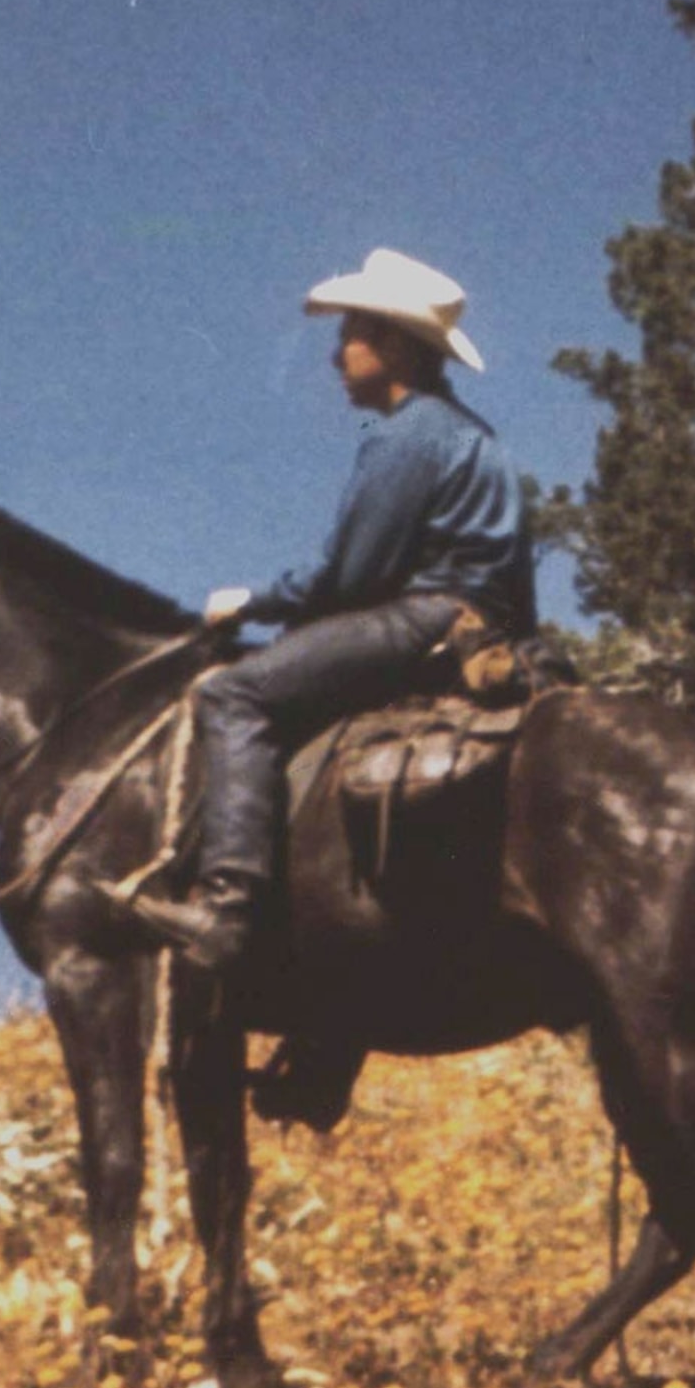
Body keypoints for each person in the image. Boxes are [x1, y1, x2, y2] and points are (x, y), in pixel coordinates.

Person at [120, 248, 537, 970]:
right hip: (481, 629)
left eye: (349, 335)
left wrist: (250, 603)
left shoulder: (410, 434)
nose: (335, 355)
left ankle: (227, 907)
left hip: (425, 618)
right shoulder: (472, 435)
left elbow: (351, 575)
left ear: (393, 344)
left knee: (233, 693)